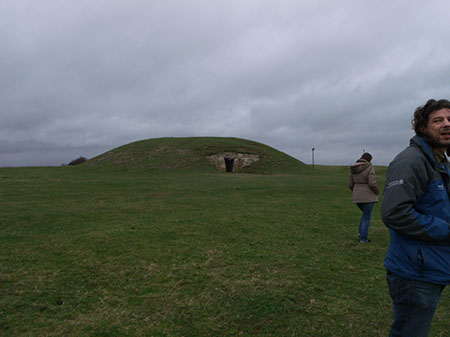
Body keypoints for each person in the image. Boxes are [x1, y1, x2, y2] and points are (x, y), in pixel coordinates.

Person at [381, 99, 450, 337]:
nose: (446, 124)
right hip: (415, 272)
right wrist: (446, 229)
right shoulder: (411, 160)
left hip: (431, 265)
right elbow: (395, 212)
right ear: (422, 128)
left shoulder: (438, 161)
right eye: (438, 120)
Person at [348, 152, 380, 243]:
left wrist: (356, 191)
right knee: (367, 217)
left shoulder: (352, 168)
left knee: (365, 215)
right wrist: (377, 191)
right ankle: (363, 238)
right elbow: (372, 183)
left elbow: (350, 184)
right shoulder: (370, 167)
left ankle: (360, 232)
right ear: (369, 160)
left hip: (357, 196)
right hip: (368, 196)